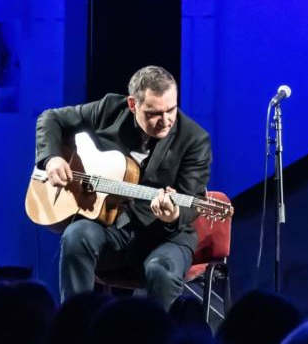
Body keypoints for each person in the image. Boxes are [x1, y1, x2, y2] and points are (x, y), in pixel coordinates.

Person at [35, 65, 212, 309]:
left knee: (161, 270)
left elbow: (192, 199)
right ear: (132, 105)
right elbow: (51, 118)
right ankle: (74, 327)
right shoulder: (110, 109)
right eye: (153, 113)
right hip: (108, 226)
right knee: (76, 236)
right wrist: (52, 158)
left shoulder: (194, 139)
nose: (166, 120)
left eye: (171, 109)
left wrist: (173, 216)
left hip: (164, 236)